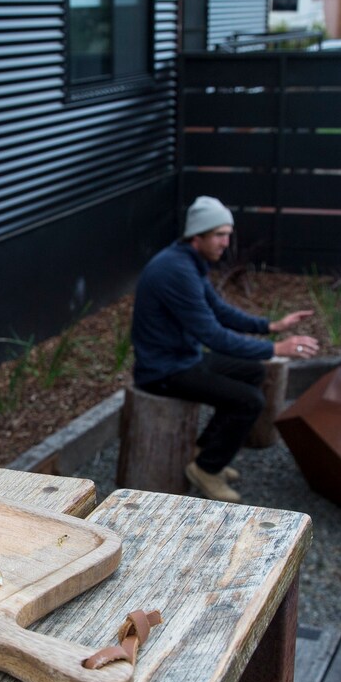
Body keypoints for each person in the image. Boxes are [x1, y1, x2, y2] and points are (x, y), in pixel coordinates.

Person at [131, 195, 319, 503]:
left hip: (184, 358)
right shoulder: (175, 271)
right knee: (248, 401)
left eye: (228, 234)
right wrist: (275, 349)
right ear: (197, 236)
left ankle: (204, 451)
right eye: (219, 235)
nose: (226, 242)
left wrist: (270, 326)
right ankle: (206, 469)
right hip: (162, 370)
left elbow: (219, 310)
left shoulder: (190, 262)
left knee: (253, 372)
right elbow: (213, 335)